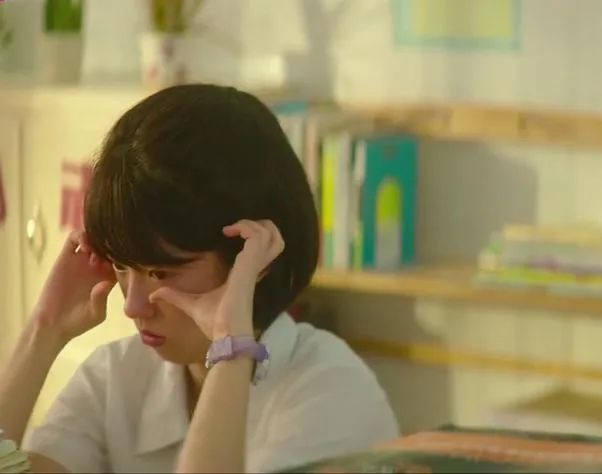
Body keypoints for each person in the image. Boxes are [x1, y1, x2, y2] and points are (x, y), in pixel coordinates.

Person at [0, 84, 399, 473]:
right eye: (121, 265)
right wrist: (43, 330)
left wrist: (231, 344)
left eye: (161, 272)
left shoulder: (332, 389)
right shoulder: (114, 376)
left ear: (252, 262)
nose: (133, 306)